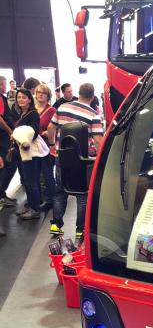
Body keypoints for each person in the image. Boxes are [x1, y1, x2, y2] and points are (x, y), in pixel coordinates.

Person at [48, 82, 103, 240]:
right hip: (82, 160)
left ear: (78, 93)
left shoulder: (62, 108)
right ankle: (80, 229)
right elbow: (97, 140)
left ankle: (56, 225)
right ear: (92, 97)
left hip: (62, 157)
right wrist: (100, 159)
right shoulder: (93, 115)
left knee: (60, 191)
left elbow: (51, 128)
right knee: (82, 194)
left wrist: (52, 145)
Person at [11, 87, 44, 219]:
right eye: (19, 97)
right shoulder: (21, 114)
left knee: (31, 181)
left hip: (29, 153)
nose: (21, 100)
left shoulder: (33, 114)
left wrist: (19, 136)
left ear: (30, 100)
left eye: (24, 97)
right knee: (26, 180)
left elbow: (34, 133)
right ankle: (30, 205)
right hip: (21, 152)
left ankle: (35, 209)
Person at [35, 82, 56, 211]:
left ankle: (51, 200)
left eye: (43, 93)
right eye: (38, 92)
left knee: (47, 174)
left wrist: (49, 133)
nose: (40, 95)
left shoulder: (52, 110)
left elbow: (56, 128)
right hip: (32, 147)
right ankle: (38, 199)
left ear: (48, 95)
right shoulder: (32, 109)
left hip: (46, 146)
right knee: (35, 175)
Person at [0, 76, 17, 207]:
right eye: (3, 84)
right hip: (3, 137)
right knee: (9, 164)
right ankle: (1, 194)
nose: (5, 87)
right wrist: (10, 132)